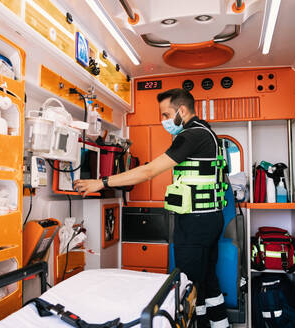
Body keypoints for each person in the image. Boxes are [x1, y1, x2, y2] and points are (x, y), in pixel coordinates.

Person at [73, 88, 229, 328]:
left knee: (187, 285)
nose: (163, 121)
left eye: (166, 114)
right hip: (210, 218)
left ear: (182, 110)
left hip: (196, 222)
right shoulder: (208, 132)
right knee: (207, 278)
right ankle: (220, 324)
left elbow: (148, 171)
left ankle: (198, 324)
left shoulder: (191, 135)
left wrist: (101, 182)